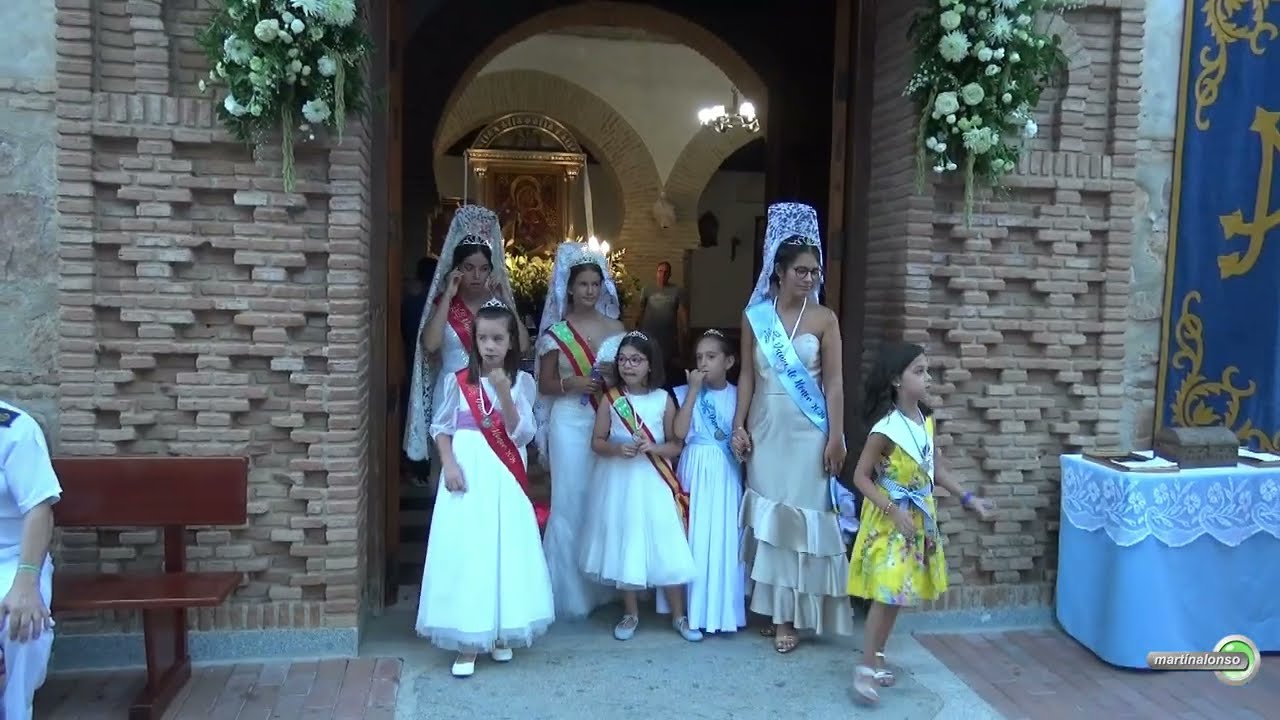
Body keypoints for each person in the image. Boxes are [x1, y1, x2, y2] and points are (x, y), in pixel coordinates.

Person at [731, 202, 854, 653]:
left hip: (808, 432)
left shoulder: (825, 319)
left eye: (814, 271)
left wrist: (836, 436)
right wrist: (738, 424)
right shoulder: (755, 317)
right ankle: (777, 609)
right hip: (766, 430)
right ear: (779, 271)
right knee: (772, 522)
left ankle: (795, 617)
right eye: (801, 270)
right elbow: (747, 376)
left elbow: (835, 382)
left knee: (803, 523)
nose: (809, 278)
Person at [847, 343, 994, 704]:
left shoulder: (925, 420)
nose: (927, 377)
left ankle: (878, 654)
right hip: (890, 520)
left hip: (917, 519)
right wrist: (891, 510)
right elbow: (861, 477)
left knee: (899, 593)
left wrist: (968, 498)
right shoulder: (885, 430)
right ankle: (865, 666)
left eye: (927, 370)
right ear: (897, 380)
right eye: (919, 371)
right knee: (887, 591)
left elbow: (935, 469)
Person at [414, 300, 554, 678]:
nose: (489, 346)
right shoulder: (458, 380)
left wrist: (504, 392)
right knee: (470, 549)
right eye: (483, 338)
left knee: (504, 548)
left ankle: (500, 631)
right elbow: (441, 428)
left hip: (504, 474)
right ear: (474, 340)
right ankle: (469, 641)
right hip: (468, 472)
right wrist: (449, 464)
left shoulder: (522, 382)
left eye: (497, 338)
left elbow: (522, 434)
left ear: (511, 342)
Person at [579, 332, 702, 642]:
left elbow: (675, 444)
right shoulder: (611, 399)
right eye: (623, 360)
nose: (628, 366)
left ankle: (679, 615)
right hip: (619, 480)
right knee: (626, 540)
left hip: (654, 480)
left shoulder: (663, 399)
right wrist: (616, 449)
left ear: (650, 365)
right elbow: (597, 441)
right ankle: (630, 612)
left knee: (666, 540)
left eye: (636, 360)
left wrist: (653, 448)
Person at [404, 205, 528, 488]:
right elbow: (430, 345)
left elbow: (521, 345)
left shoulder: (496, 306)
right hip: (452, 390)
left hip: (491, 390)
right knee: (449, 466)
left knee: (488, 467)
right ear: (456, 269)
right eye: (469, 268)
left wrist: (505, 301)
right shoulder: (444, 305)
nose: (476, 276)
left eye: (483, 269)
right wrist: (448, 295)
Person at [535, 242, 627, 621]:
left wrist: (614, 376)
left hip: (607, 418)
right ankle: (570, 592)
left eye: (595, 284)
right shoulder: (556, 332)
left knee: (603, 497)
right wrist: (570, 384)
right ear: (569, 288)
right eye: (583, 284)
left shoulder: (617, 328)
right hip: (569, 422)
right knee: (570, 499)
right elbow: (543, 384)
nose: (590, 290)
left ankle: (605, 586)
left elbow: (633, 375)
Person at [657, 329, 746, 634]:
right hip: (694, 468)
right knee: (693, 535)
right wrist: (693, 392)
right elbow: (679, 433)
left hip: (725, 472)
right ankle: (686, 611)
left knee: (721, 536)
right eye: (699, 358)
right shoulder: (684, 393)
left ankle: (719, 612)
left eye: (711, 356)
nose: (704, 363)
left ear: (729, 361)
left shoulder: (739, 395)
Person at [0, 400, 60, 718]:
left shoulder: (15, 429)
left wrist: (26, 582)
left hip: (13, 557)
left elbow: (39, 508)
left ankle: (15, 711)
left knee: (24, 621)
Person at [401, 256, 437, 485]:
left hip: (409, 361)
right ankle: (422, 469)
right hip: (427, 366)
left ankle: (416, 469)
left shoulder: (411, 303)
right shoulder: (433, 305)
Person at [637, 261, 688, 385]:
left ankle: (664, 388)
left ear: (670, 274)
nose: (663, 275)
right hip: (649, 333)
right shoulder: (647, 289)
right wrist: (637, 327)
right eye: (660, 271)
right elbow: (641, 309)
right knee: (648, 361)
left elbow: (682, 311)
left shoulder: (677, 291)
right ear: (656, 273)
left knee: (666, 366)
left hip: (668, 336)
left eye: (666, 272)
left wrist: (686, 329)